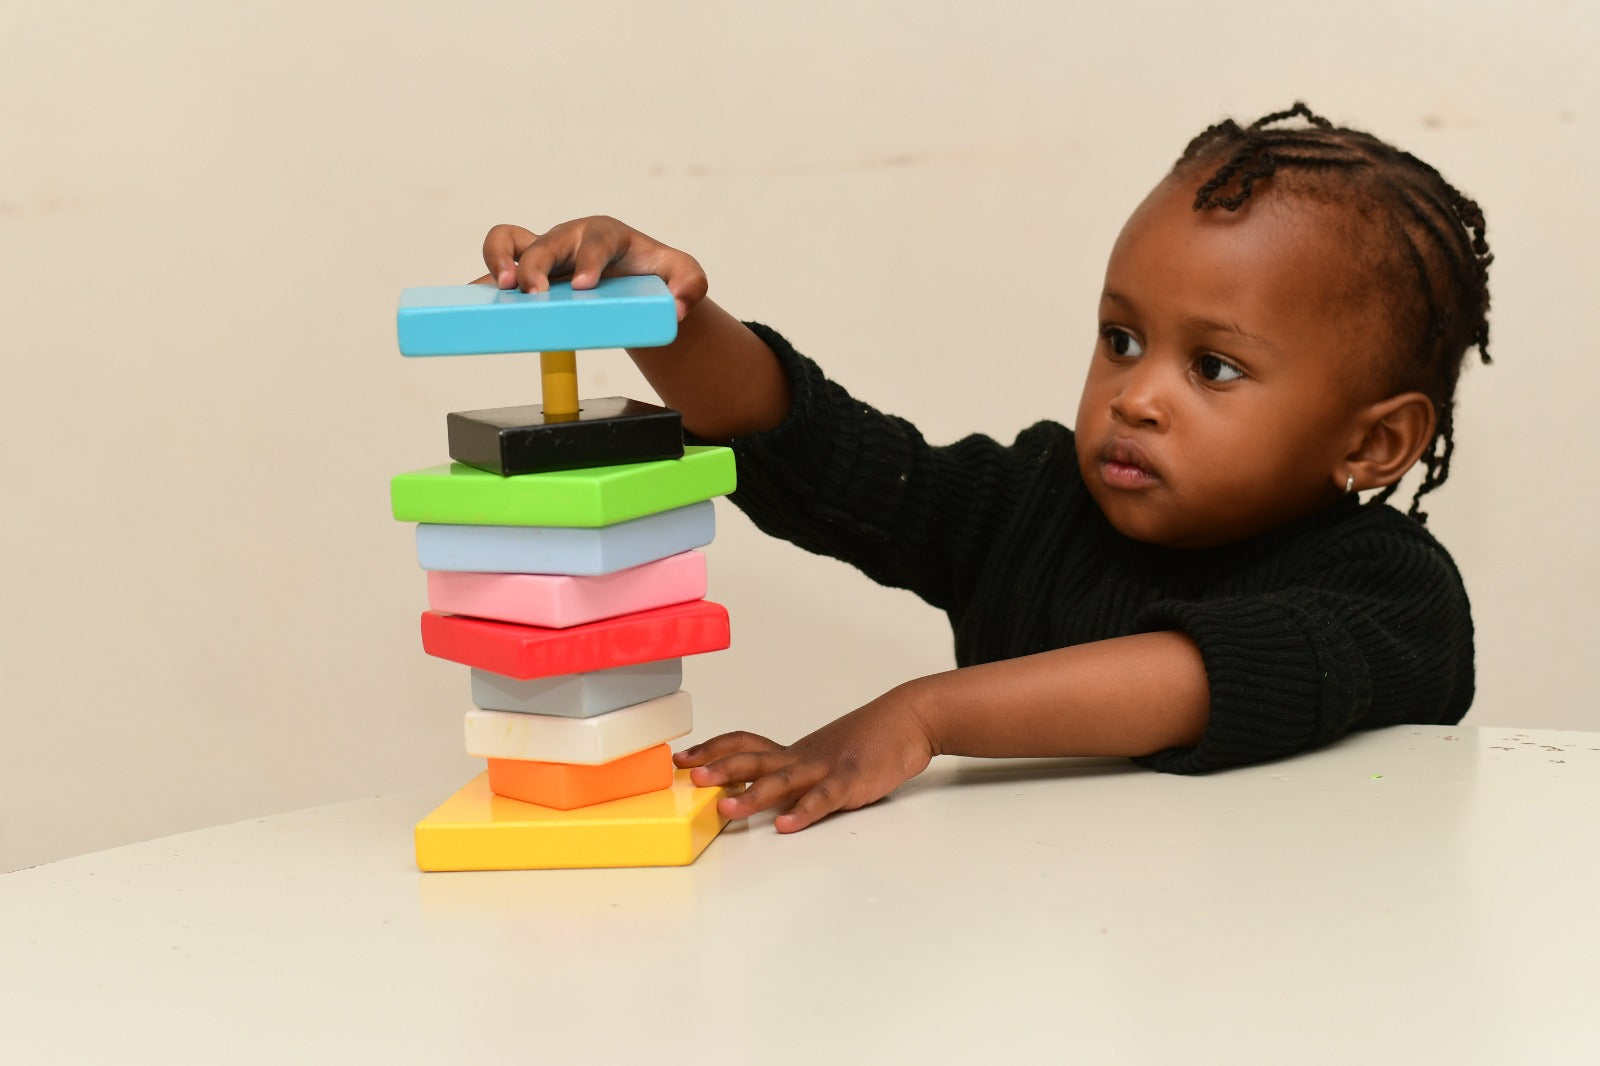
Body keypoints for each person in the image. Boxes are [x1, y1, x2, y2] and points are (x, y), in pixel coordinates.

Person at [472, 103, 1490, 833]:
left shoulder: (1391, 590)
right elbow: (820, 455)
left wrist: (924, 713)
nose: (1136, 394)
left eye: (1212, 365)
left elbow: (1208, 671)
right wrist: (668, 315)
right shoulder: (1038, 503)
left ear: (1372, 444)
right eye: (1121, 339)